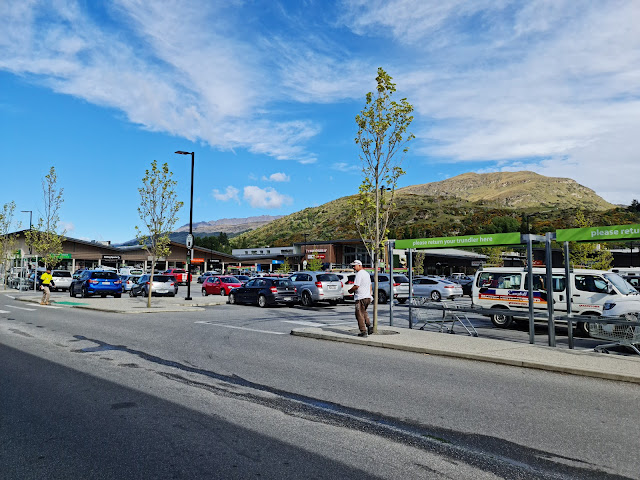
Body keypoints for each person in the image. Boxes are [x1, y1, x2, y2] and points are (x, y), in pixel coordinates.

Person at [347, 260, 373, 337]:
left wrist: (350, 291)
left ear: (359, 265)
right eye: (353, 266)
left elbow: (356, 286)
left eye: (354, 266)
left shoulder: (359, 274)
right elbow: (370, 285)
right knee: (363, 312)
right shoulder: (366, 273)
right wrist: (370, 294)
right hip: (367, 297)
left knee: (359, 314)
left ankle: (363, 331)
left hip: (360, 297)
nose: (353, 267)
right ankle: (369, 325)